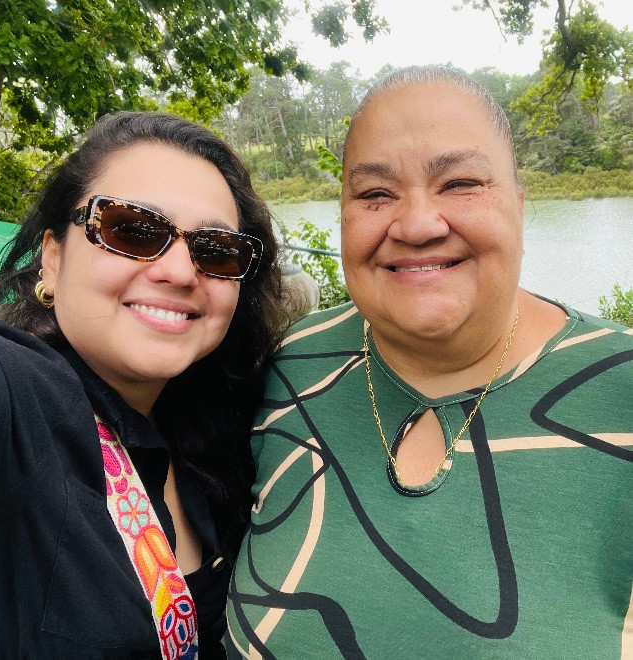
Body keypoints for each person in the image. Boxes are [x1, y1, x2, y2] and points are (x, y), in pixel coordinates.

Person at [226, 66, 633, 658]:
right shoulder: (287, 365)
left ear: (520, 207)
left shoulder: (619, 390)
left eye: (460, 183)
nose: (417, 225)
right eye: (374, 194)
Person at [0, 111, 290, 659]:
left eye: (216, 249)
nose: (181, 272)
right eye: (132, 230)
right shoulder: (10, 393)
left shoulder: (222, 429)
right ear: (52, 259)